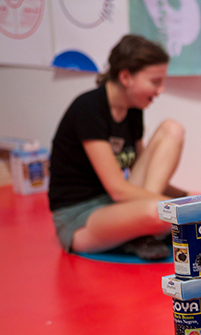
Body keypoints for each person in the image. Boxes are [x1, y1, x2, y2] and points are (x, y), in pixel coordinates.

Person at [48, 34, 186, 260]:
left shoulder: (133, 110)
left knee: (173, 129)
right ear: (125, 77)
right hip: (81, 217)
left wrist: (188, 197)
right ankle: (147, 228)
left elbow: (145, 172)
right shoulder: (88, 108)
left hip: (115, 205)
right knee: (159, 213)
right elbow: (118, 189)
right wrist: (180, 209)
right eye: (155, 82)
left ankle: (142, 233)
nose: (161, 90)